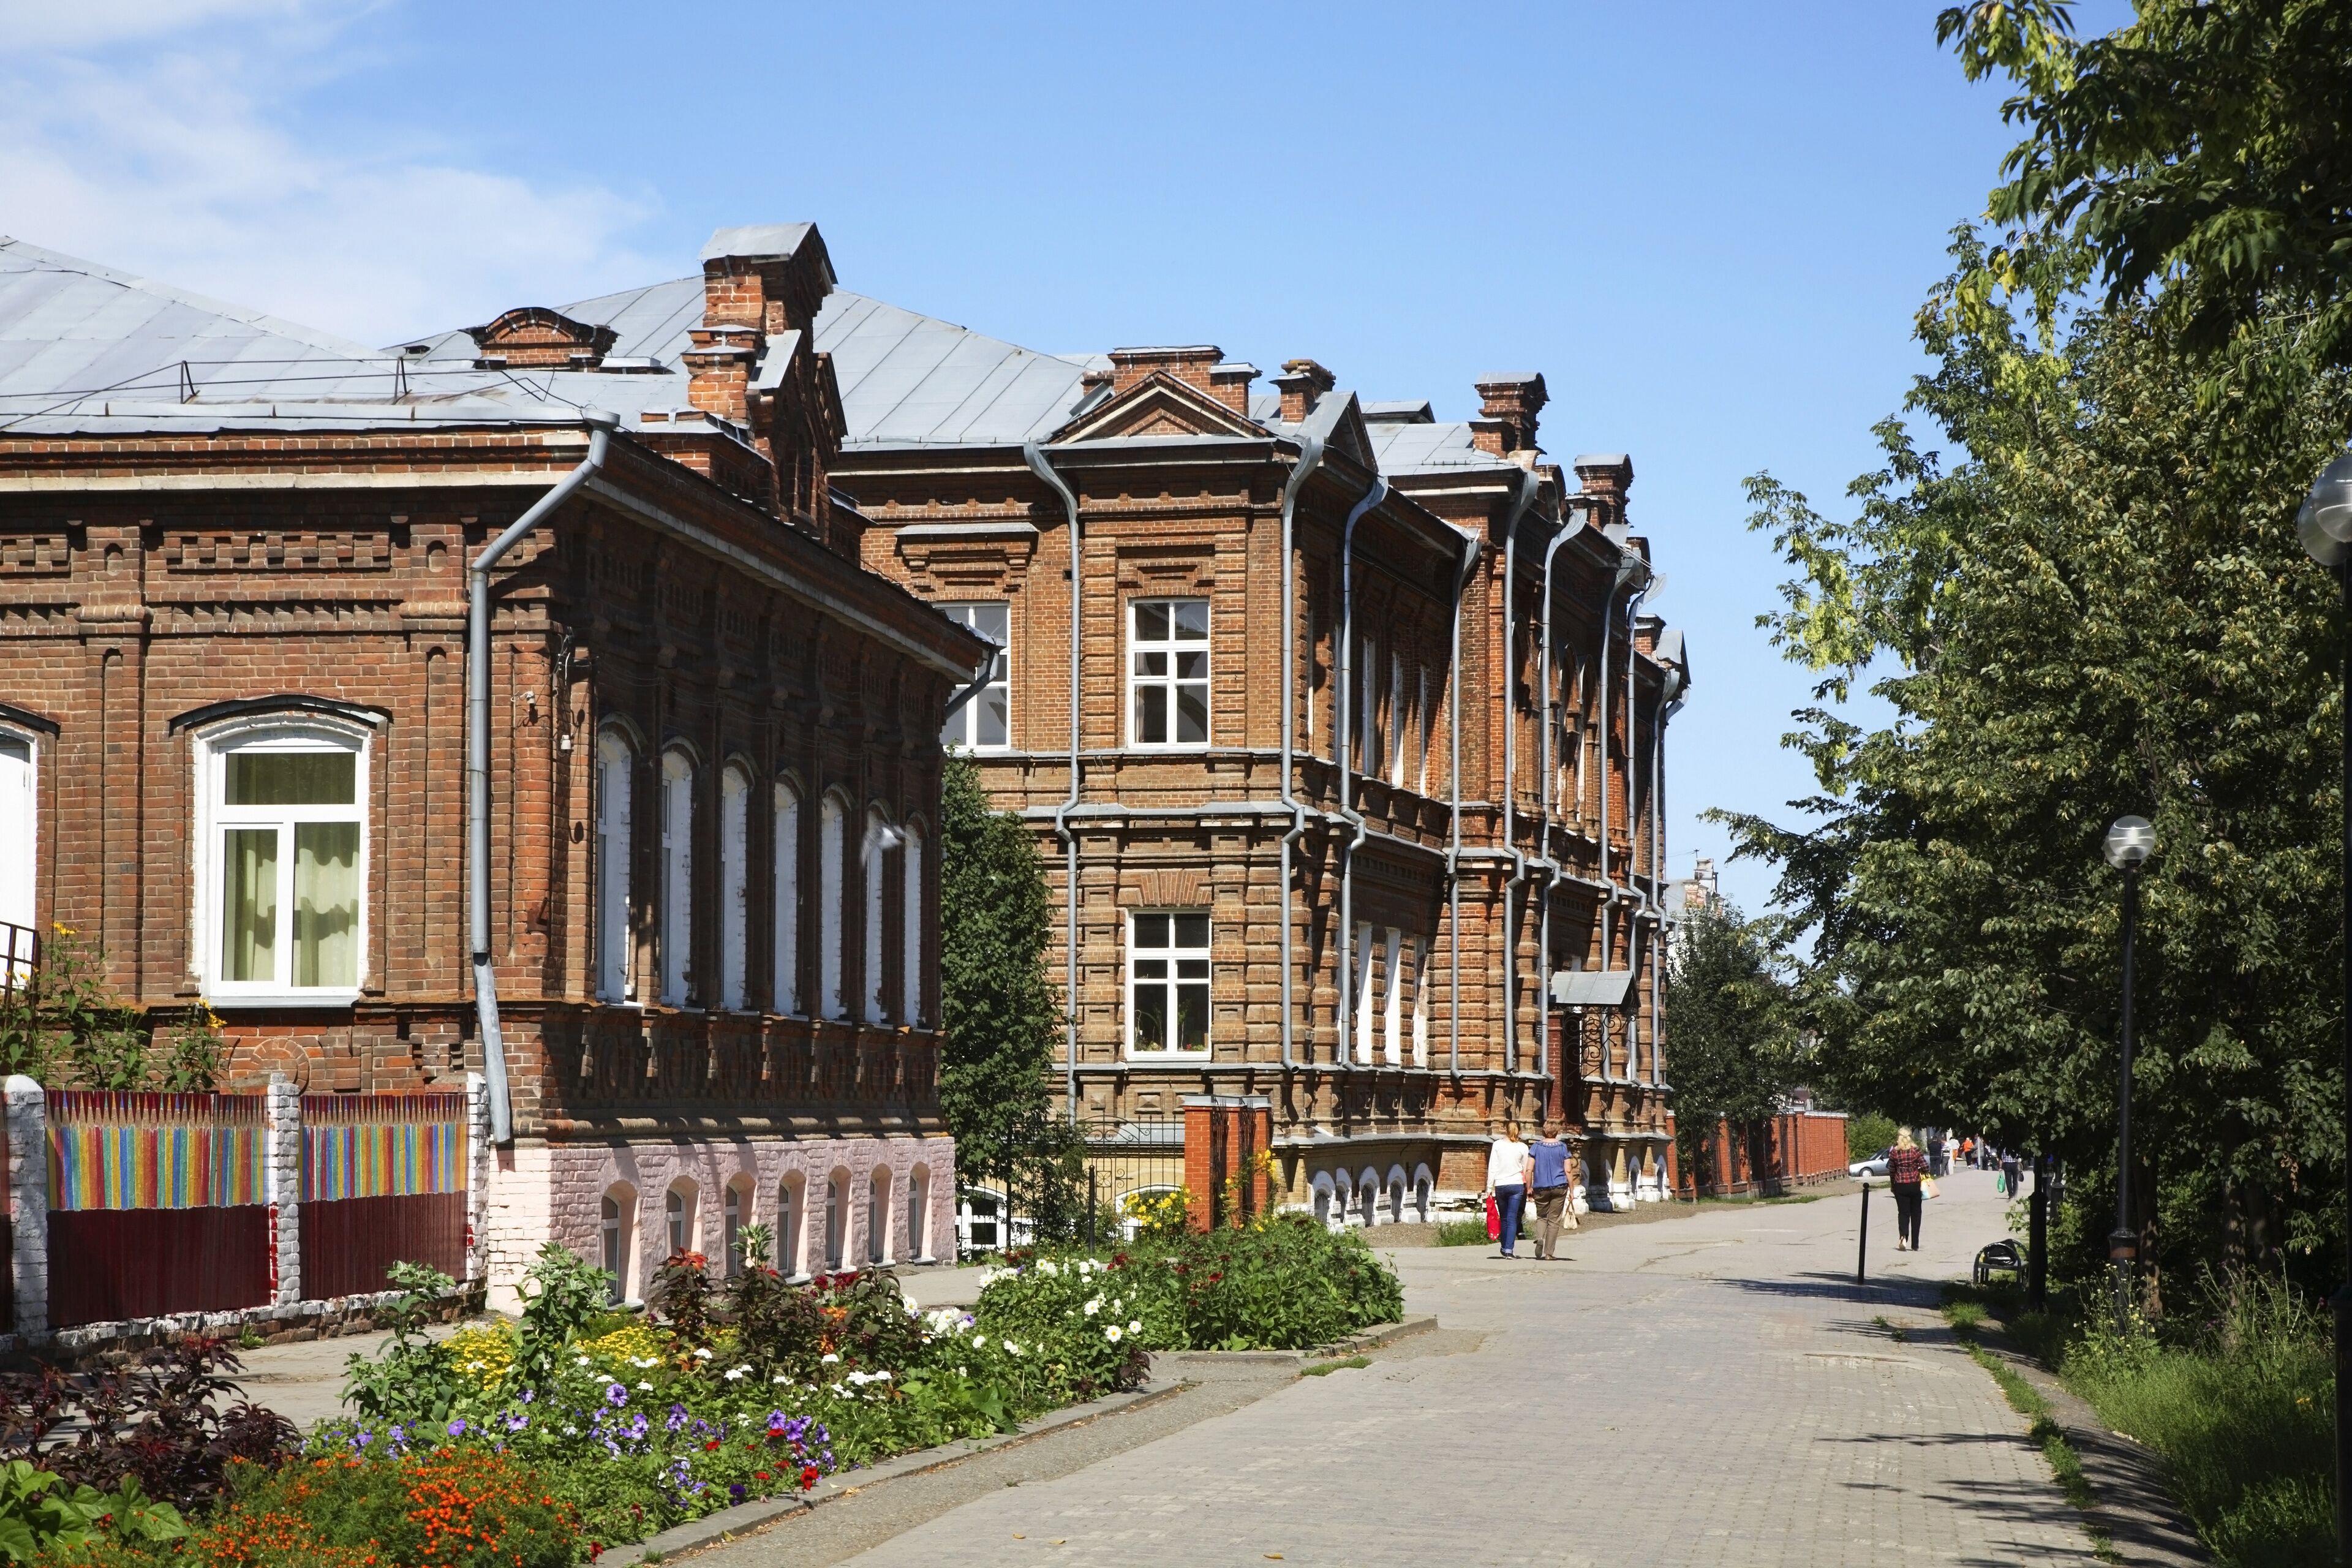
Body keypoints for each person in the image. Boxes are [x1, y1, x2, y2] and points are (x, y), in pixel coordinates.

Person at [1526, 1121, 1577, 1259]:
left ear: (1544, 1131)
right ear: (1557, 1132)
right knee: (1554, 1220)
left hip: (1540, 1187)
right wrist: (1572, 1190)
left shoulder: (1536, 1147)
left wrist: (1529, 1188)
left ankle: (1540, 1237)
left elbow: (1529, 1169)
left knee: (1542, 1216)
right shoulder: (1562, 1147)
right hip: (1559, 1187)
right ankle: (1549, 1253)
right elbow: (1568, 1170)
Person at [1486, 1120, 1532, 1259]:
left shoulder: (1497, 1145)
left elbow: (1493, 1167)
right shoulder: (1523, 1147)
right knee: (1512, 1218)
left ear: (1505, 1130)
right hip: (1517, 1185)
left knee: (1504, 1218)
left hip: (1501, 1185)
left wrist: (1489, 1187)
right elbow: (1526, 1169)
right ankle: (1508, 1250)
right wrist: (1529, 1187)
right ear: (1519, 1130)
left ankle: (1504, 1247)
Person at [1887, 1128, 1926, 1251]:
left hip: (1900, 1185)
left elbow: (1892, 1171)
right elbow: (1926, 1166)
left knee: (1903, 1213)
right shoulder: (1915, 1151)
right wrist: (1918, 1170)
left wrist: (1893, 1185)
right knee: (1916, 1213)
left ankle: (1903, 1236)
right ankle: (1915, 1244)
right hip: (1915, 1184)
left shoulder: (1895, 1152)